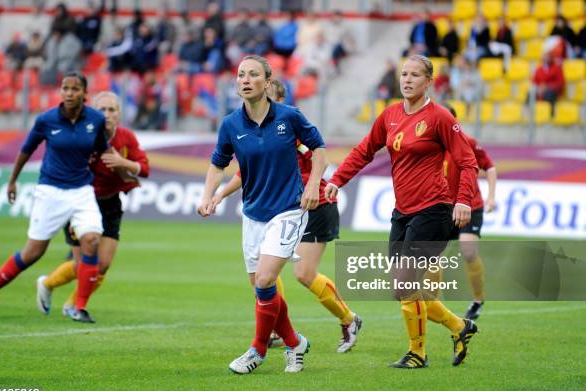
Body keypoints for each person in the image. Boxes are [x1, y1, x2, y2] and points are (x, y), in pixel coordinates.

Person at [325, 55, 479, 369]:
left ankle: (417, 353)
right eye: (404, 74)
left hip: (434, 209)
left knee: (406, 282)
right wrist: (337, 179)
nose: (407, 80)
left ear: (429, 81)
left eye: (414, 75)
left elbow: (468, 162)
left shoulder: (439, 118)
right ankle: (458, 326)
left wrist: (463, 200)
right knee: (401, 288)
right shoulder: (390, 114)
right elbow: (365, 150)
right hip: (403, 211)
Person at [198, 55, 327, 374]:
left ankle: (257, 350)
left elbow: (320, 150)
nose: (245, 80)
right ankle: (295, 343)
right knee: (262, 287)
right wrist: (208, 196)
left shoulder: (289, 116)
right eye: (241, 75)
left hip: (289, 210)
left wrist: (312, 185)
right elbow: (218, 163)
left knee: (267, 279)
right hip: (253, 213)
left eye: (253, 75)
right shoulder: (230, 124)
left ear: (267, 82)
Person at [213, 79, 362, 353]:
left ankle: (349, 319)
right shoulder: (257, 130)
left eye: (270, 96)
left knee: (303, 273)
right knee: (263, 274)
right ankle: (281, 332)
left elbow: (317, 155)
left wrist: (313, 185)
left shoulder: (291, 127)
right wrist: (221, 194)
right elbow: (246, 171)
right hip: (282, 209)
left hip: (312, 206)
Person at [0, 72, 110, 323]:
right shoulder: (46, 120)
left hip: (82, 190)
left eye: (74, 89)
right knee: (32, 253)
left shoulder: (96, 119)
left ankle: (78, 307)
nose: (69, 93)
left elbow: (103, 151)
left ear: (84, 94)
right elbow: (26, 150)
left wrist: (122, 167)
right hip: (50, 191)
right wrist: (13, 181)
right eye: (65, 88)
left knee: (91, 240)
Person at [37, 91, 150, 319]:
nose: (107, 114)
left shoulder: (126, 137)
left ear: (119, 114)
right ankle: (49, 285)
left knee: (103, 265)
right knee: (83, 265)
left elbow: (144, 169)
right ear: (92, 112)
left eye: (112, 110)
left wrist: (122, 162)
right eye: (102, 110)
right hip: (81, 202)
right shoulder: (83, 137)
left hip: (110, 204)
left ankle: (71, 304)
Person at [443, 104, 497, 320]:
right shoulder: (431, 144)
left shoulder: (469, 143)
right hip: (443, 207)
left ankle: (477, 298)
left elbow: (489, 167)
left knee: (468, 251)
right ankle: (432, 302)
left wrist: (491, 197)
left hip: (470, 205)